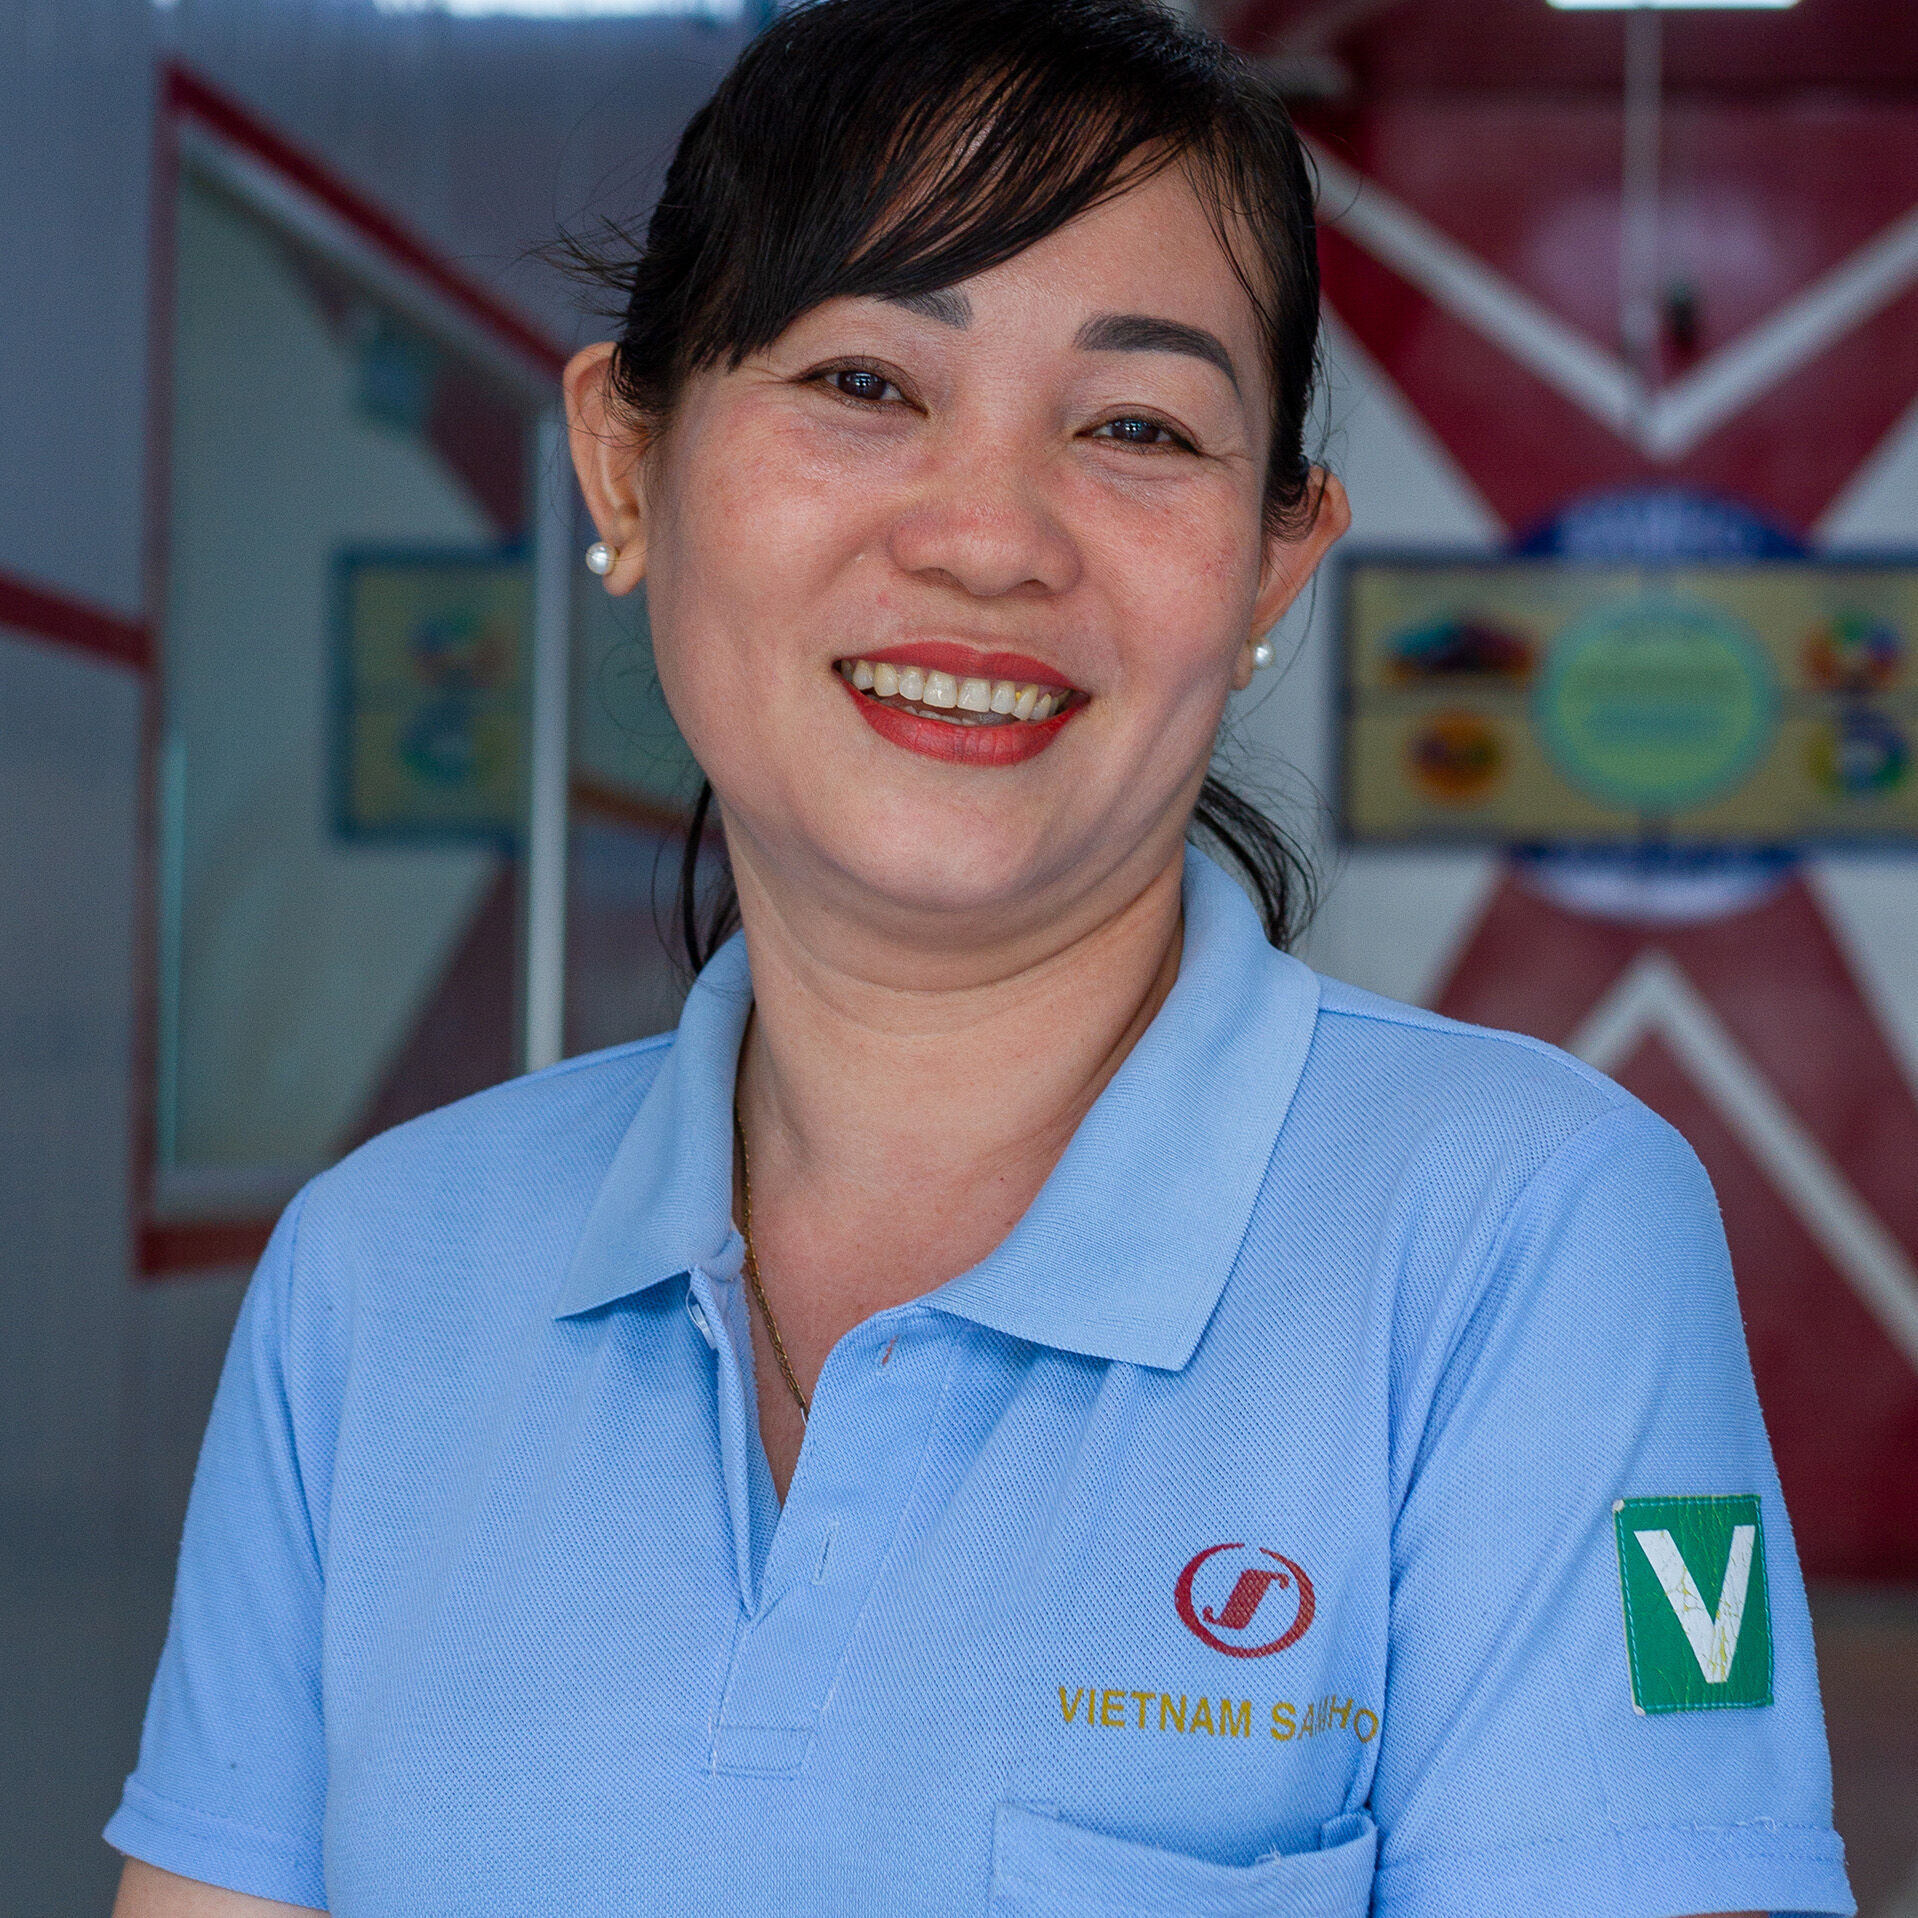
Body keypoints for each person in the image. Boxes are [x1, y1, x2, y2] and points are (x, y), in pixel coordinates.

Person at [110, 0, 1853, 1912]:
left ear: (1274, 566)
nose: (989, 537)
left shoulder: (1517, 1235)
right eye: (866, 382)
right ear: (626, 466)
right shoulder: (374, 1282)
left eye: (1136, 425)